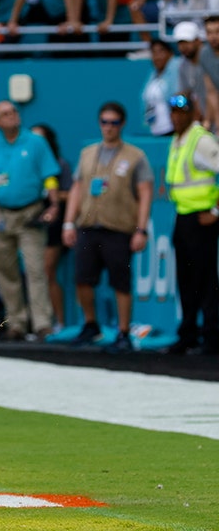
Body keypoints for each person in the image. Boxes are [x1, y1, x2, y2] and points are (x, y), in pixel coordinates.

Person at [61, 102, 153, 353]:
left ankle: (123, 331)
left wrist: (141, 229)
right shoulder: (88, 153)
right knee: (82, 279)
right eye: (104, 122)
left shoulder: (135, 156)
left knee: (120, 282)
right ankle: (91, 324)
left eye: (113, 122)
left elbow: (145, 193)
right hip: (89, 224)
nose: (108, 127)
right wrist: (69, 222)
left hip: (118, 227)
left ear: (121, 124)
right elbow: (77, 188)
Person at [0, 101, 61, 340]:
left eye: (13, 112)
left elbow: (49, 175)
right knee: (5, 270)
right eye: (4, 114)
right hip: (1, 213)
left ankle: (42, 322)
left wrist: (53, 204)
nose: (11, 116)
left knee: (35, 269)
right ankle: (17, 322)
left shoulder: (35, 142)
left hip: (30, 213)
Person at [164, 94, 219, 355]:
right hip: (183, 217)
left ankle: (211, 338)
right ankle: (188, 334)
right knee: (185, 280)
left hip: (202, 219)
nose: (176, 116)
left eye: (182, 111)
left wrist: (217, 212)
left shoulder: (201, 140)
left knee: (205, 280)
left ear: (193, 112)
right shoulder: (178, 139)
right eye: (173, 111)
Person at [30, 123, 73, 332]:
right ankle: (37, 320)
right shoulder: (26, 164)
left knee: (47, 270)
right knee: (34, 272)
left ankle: (60, 322)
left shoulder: (60, 165)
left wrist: (51, 196)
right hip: (33, 221)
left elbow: (70, 193)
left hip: (54, 223)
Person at [144, 37, 183, 136]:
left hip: (173, 127)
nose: (157, 56)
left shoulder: (176, 68)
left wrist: (178, 118)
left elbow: (179, 97)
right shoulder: (153, 75)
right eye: (154, 53)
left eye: (161, 51)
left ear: (170, 53)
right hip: (156, 127)